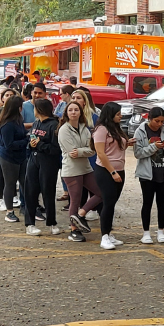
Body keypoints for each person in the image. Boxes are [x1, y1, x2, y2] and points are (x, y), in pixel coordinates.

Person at [92, 102, 131, 249]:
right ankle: (104, 236)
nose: (120, 116)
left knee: (112, 203)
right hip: (106, 171)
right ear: (110, 114)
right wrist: (112, 172)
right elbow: (101, 153)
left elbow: (116, 147)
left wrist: (128, 143)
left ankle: (108, 232)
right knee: (107, 203)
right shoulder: (101, 130)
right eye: (118, 114)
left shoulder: (115, 128)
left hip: (119, 169)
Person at [133, 107, 164, 245]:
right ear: (149, 118)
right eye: (157, 121)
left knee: (162, 203)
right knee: (147, 202)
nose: (159, 124)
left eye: (162, 121)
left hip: (163, 173)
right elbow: (138, 153)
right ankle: (146, 233)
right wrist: (154, 147)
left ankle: (161, 231)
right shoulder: (140, 132)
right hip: (146, 174)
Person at [59, 101, 98, 242]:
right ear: (66, 113)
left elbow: (92, 150)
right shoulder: (64, 130)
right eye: (71, 110)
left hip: (86, 168)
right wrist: (84, 151)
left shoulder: (85, 128)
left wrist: (81, 151)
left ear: (81, 112)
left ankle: (80, 215)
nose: (74, 112)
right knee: (75, 200)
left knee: (100, 192)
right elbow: (71, 153)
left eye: (76, 109)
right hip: (71, 170)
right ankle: (73, 230)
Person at [23, 98, 63, 235]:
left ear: (39, 109)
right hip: (33, 160)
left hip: (48, 163)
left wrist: (40, 145)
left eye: (34, 108)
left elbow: (56, 148)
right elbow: (31, 140)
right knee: (30, 191)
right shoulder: (36, 123)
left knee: (48, 192)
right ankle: (30, 224)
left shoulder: (54, 125)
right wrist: (31, 144)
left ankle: (52, 222)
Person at [0, 94, 27, 223]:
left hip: (20, 156)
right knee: (10, 183)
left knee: (25, 182)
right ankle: (9, 211)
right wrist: (25, 141)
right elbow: (9, 145)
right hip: (8, 157)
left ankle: (27, 207)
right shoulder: (7, 124)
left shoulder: (18, 120)